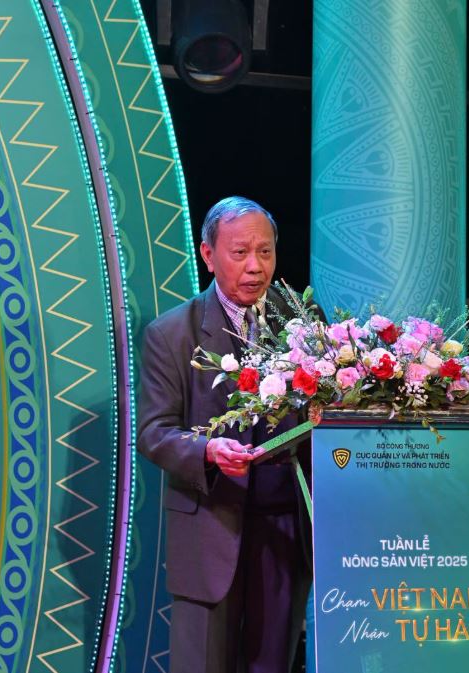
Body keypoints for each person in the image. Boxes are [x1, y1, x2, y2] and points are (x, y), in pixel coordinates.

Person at [137, 196, 311, 673]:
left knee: (273, 662)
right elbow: (153, 431)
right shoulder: (172, 334)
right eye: (240, 253)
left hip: (283, 530)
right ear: (208, 255)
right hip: (210, 523)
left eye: (265, 252)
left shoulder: (302, 325)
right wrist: (208, 450)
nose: (255, 266)